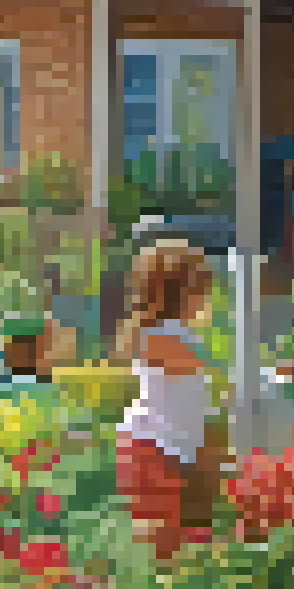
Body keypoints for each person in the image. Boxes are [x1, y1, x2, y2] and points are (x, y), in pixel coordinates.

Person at [115, 239, 221, 562]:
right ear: (178, 293)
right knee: (162, 538)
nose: (206, 298)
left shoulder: (176, 333)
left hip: (175, 447)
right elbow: (194, 367)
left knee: (181, 536)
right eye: (200, 288)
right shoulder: (156, 336)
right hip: (152, 447)